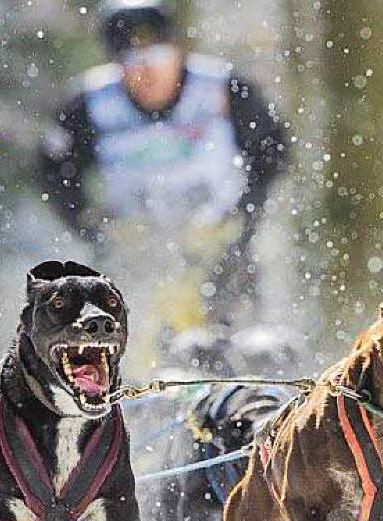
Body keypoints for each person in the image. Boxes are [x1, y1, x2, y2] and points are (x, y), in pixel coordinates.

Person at [38, 0, 287, 369]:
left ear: (177, 52)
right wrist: (94, 226)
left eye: (157, 57)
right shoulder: (90, 104)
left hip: (221, 253)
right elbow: (53, 174)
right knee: (138, 356)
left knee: (235, 354)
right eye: (133, 63)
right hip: (136, 258)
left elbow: (274, 153)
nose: (147, 73)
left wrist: (243, 217)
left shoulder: (224, 89)